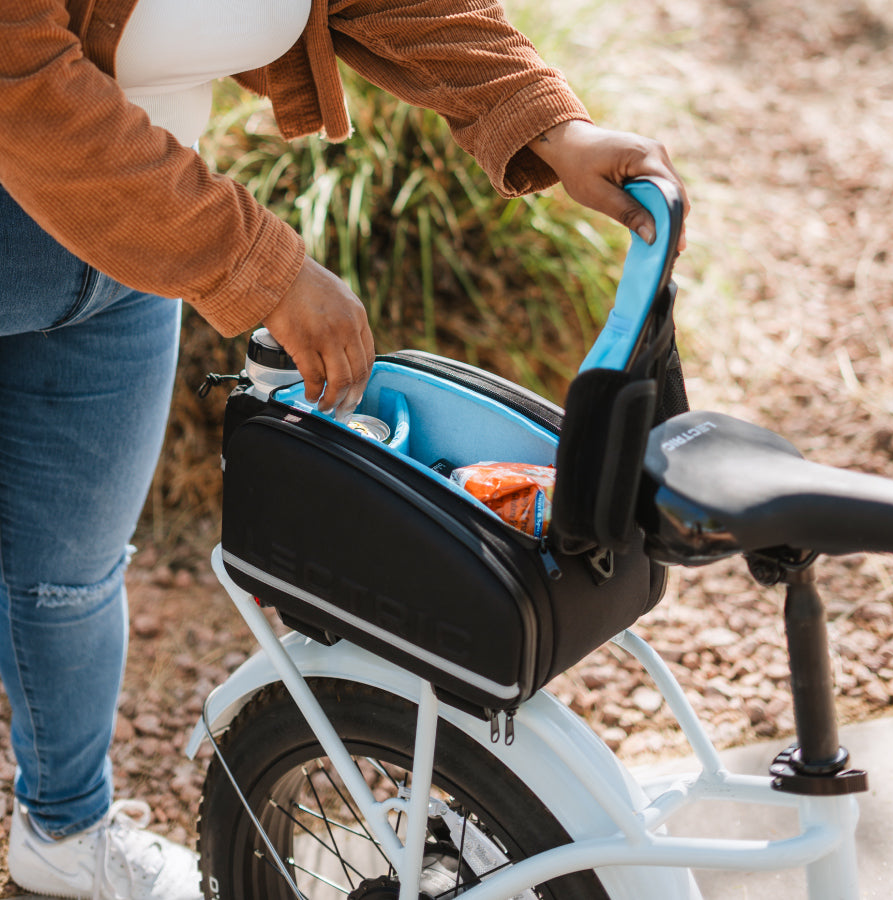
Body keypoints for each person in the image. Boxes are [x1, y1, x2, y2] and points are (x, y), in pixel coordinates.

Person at [0, 0, 688, 896]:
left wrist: (550, 123)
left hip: (129, 244)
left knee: (70, 574)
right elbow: (19, 75)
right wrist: (261, 266)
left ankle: (64, 829)